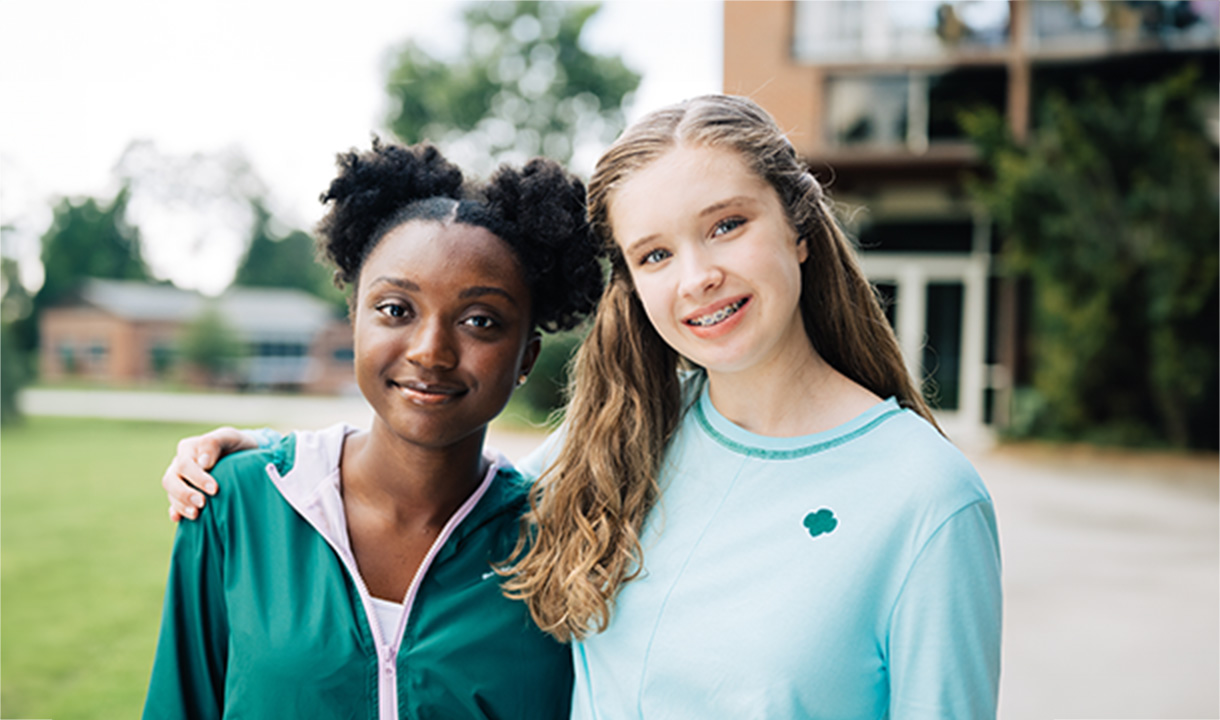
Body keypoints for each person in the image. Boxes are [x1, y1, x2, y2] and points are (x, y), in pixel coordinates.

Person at [164, 95, 1002, 719]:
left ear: (800, 229)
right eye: (656, 253)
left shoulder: (925, 498)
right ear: (633, 286)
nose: (697, 277)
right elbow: (438, 477)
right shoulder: (622, 441)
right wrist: (269, 464)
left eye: (727, 225)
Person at [143, 139, 603, 719]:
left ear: (527, 358)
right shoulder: (233, 502)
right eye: (395, 310)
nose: (430, 351)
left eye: (480, 321)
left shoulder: (559, 546)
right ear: (354, 320)